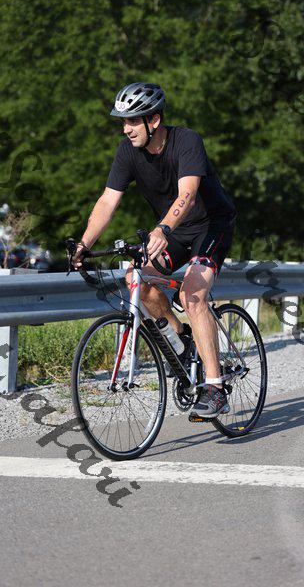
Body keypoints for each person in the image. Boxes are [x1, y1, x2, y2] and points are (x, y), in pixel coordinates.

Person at [73, 81, 236, 418]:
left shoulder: (187, 141)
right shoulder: (127, 152)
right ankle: (183, 340)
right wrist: (84, 244)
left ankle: (215, 386)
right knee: (137, 278)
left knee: (192, 295)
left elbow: (187, 194)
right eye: (123, 122)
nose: (126, 129)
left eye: (133, 121)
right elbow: (107, 202)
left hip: (211, 225)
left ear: (155, 120)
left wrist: (162, 228)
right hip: (175, 230)